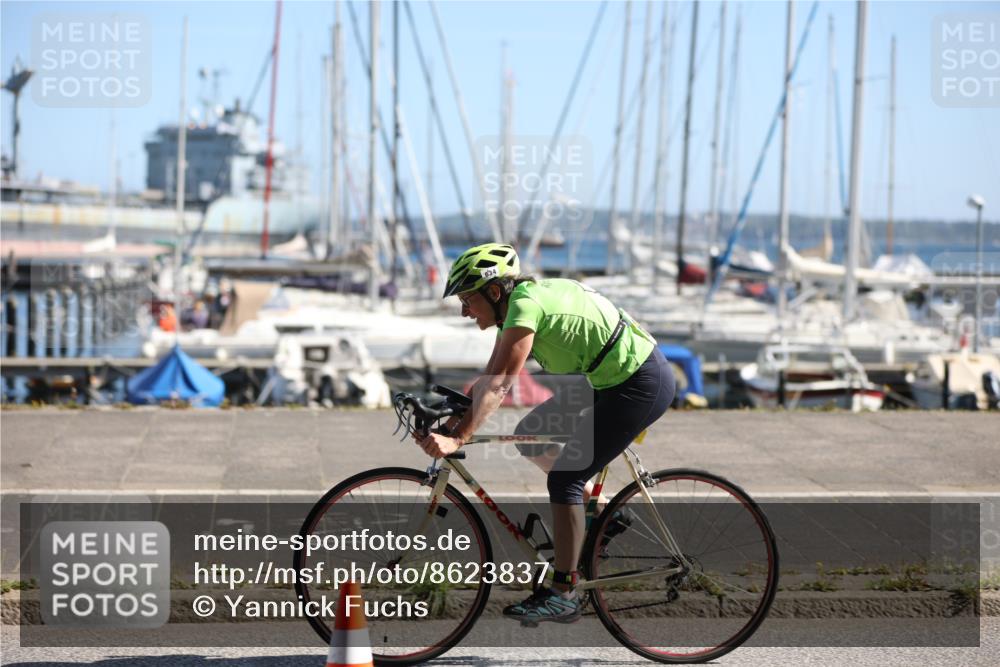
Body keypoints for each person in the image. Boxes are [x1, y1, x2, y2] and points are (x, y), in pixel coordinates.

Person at [416, 243, 675, 625]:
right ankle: (604, 515)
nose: (464, 311)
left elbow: (500, 386)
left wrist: (458, 439)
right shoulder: (515, 310)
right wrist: (454, 422)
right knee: (530, 435)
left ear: (494, 291)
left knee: (565, 478)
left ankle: (563, 594)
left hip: (639, 382)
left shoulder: (524, 307)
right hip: (608, 378)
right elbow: (490, 377)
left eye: (467, 300)